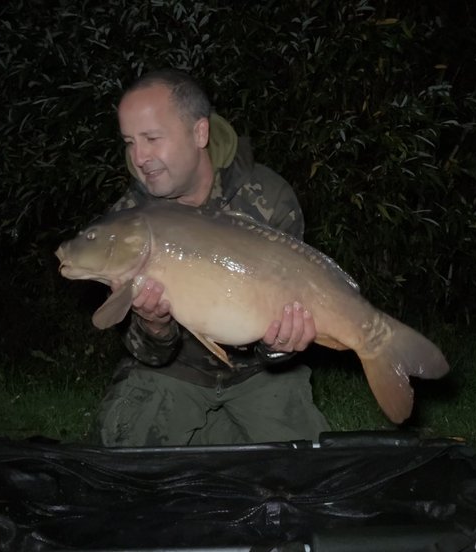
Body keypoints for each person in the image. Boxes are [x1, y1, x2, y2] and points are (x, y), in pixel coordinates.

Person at [93, 69, 332, 447]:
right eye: (129, 142)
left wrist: (281, 343)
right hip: (176, 372)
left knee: (306, 480)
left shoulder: (266, 197)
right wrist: (154, 326)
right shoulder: (128, 222)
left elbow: (283, 337)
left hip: (258, 374)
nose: (139, 158)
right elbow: (145, 352)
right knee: (122, 473)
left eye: (152, 138)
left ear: (199, 132)